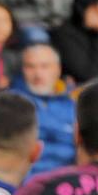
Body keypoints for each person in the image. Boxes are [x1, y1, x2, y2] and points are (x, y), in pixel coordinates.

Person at [11, 43, 73, 175]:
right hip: (24, 181)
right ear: (22, 70)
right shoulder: (9, 103)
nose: (38, 74)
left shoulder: (74, 105)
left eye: (44, 66)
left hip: (68, 181)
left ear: (58, 69)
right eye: (30, 67)